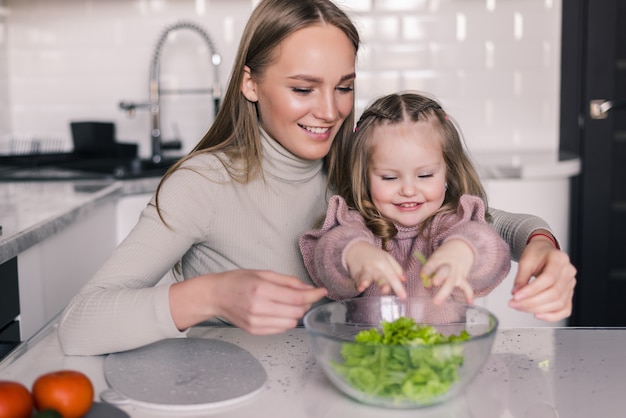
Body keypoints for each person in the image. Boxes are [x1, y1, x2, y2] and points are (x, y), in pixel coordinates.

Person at [58, 0, 575, 356]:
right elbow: (80, 322)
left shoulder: (353, 161)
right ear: (251, 84)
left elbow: (485, 222)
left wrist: (542, 243)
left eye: (344, 87)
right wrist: (211, 297)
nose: (329, 112)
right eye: (304, 88)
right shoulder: (202, 184)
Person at [300, 92, 511, 305]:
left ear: (448, 172)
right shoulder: (359, 226)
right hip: (371, 339)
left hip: (447, 339)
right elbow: (329, 252)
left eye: (425, 175)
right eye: (390, 177)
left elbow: (490, 246)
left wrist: (463, 250)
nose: (409, 190)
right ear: (364, 177)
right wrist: (355, 254)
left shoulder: (452, 224)